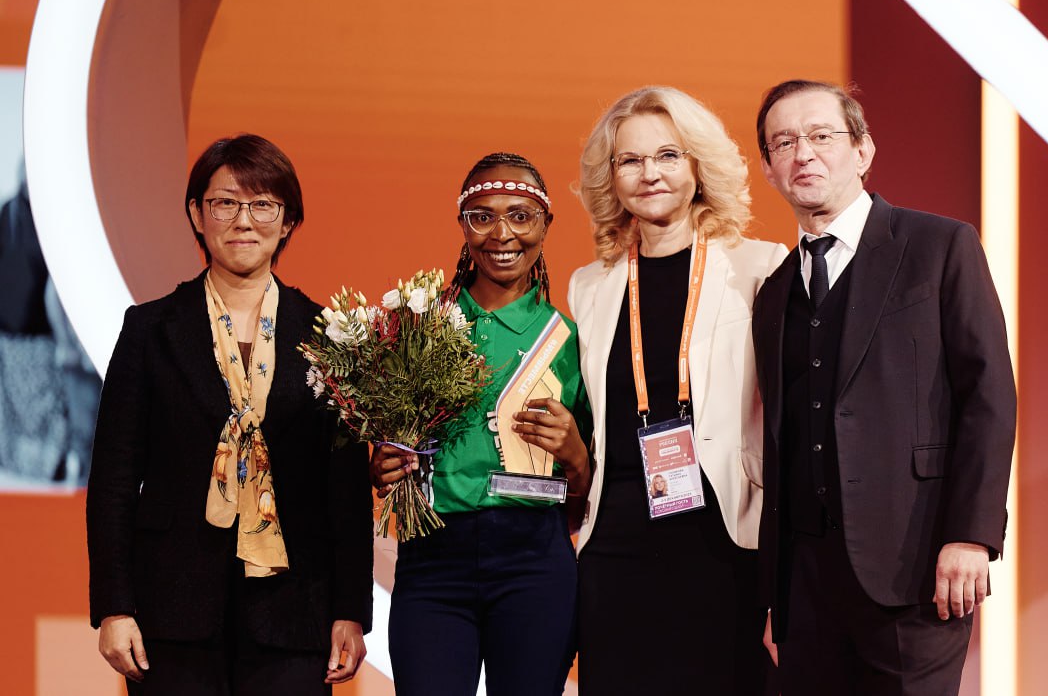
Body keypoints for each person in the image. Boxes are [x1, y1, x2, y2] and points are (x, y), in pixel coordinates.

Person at [751, 79, 1017, 695]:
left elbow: (988, 395)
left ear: (863, 149)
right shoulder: (775, 291)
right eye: (783, 142)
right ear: (768, 168)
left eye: (821, 135)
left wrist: (971, 535)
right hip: (806, 585)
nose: (803, 153)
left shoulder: (939, 246)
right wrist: (775, 591)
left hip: (915, 566)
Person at [86, 134, 373, 694]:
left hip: (296, 608)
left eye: (263, 204)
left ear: (288, 221)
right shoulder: (150, 329)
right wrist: (114, 606)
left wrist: (351, 610)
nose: (244, 221)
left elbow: (345, 490)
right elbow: (114, 481)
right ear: (197, 214)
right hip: (171, 608)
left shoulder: (332, 336)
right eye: (225, 203)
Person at [569, 86, 788, 695]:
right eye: (630, 160)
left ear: (698, 166)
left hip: (722, 540)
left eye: (668, 155)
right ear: (610, 176)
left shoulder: (760, 267)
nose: (650, 174)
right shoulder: (589, 285)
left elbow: (786, 420)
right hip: (616, 544)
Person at [369, 152, 592, 696]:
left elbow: (584, 499)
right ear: (462, 225)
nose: (502, 234)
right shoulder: (416, 329)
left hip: (535, 559)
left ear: (546, 224)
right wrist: (380, 466)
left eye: (521, 215)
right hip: (432, 562)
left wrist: (577, 458)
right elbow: (382, 453)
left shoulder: (573, 339)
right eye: (482, 216)